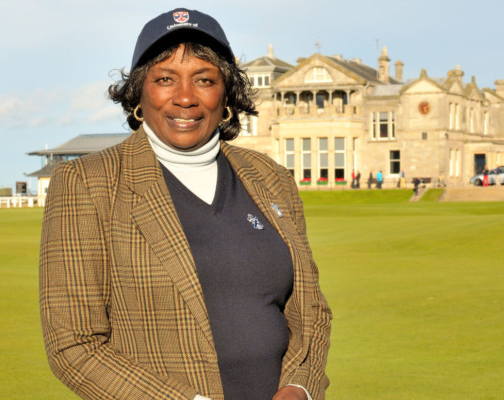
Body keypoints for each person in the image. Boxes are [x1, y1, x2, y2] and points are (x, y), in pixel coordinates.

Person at [39, 8, 331, 400]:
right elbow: (73, 345)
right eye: (164, 79)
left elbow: (310, 309)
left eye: (204, 80)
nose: (186, 97)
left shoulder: (271, 177)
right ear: (139, 93)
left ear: (225, 93)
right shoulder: (87, 183)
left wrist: (301, 386)